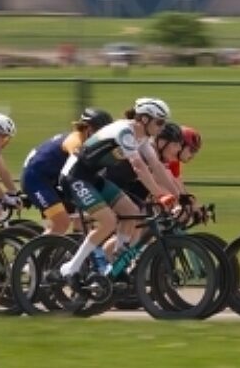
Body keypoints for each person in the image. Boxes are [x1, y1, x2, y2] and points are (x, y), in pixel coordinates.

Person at [54, 98, 180, 280]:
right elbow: (138, 166)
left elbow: (156, 166)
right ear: (144, 119)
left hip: (93, 177)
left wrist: (179, 196)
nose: (162, 127)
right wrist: (159, 194)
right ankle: (70, 268)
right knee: (108, 222)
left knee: (132, 211)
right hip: (74, 176)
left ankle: (115, 264)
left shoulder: (142, 137)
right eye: (159, 122)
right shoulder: (125, 132)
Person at [20, 107, 114, 234]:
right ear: (87, 129)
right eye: (99, 132)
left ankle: (74, 248)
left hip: (53, 179)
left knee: (82, 220)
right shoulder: (75, 140)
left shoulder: (86, 141)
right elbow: (79, 166)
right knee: (62, 222)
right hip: (36, 180)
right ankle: (39, 253)